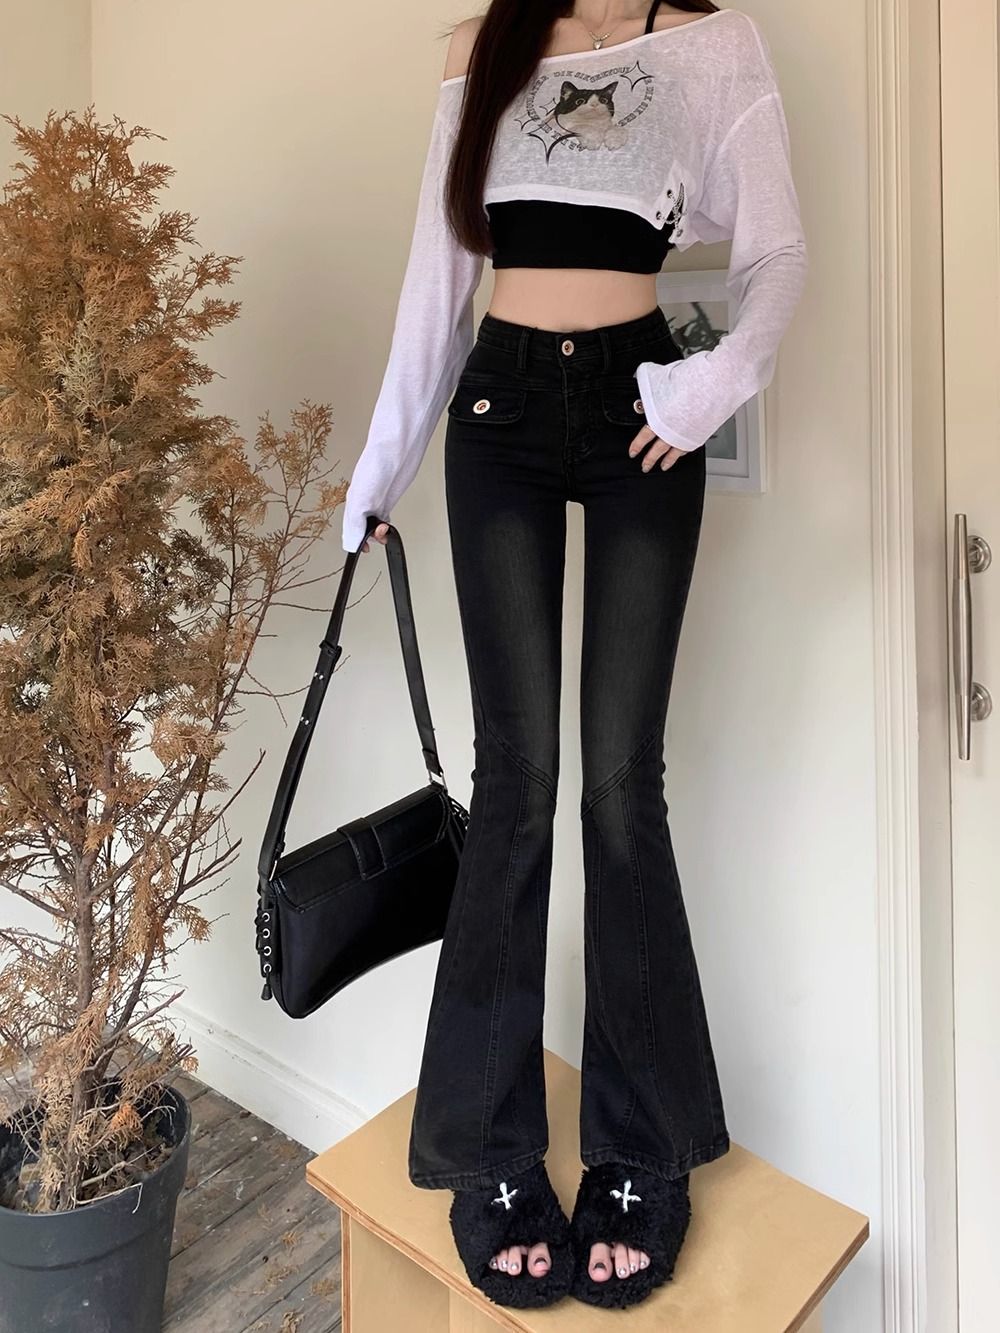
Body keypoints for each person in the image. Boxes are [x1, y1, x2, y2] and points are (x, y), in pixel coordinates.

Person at [341, 0, 807, 1311]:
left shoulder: (714, 45)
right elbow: (439, 280)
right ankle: (491, 1151)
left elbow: (777, 250)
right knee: (519, 780)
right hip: (497, 411)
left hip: (639, 410)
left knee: (617, 783)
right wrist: (380, 466)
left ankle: (641, 1148)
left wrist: (708, 388)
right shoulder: (481, 46)